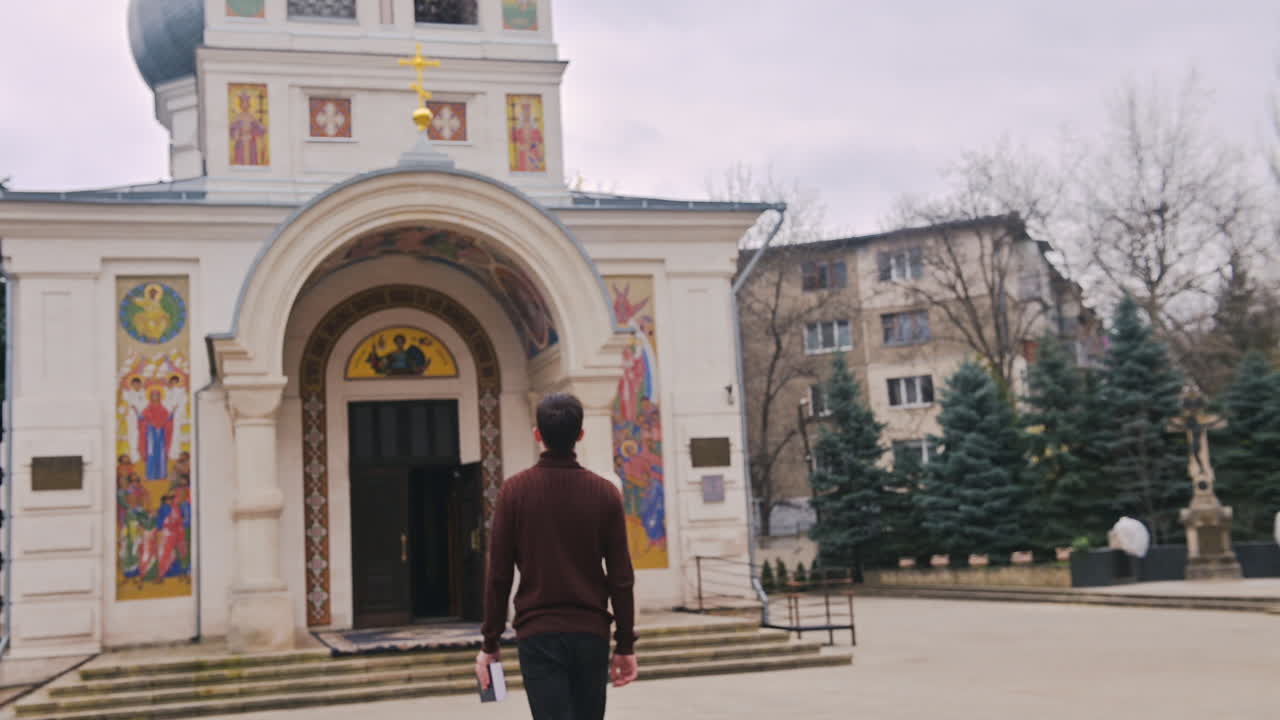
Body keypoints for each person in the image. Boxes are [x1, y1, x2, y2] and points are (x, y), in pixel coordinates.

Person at [476, 393, 638, 719]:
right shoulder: (605, 494)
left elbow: (499, 576)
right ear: (581, 435)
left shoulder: (514, 492)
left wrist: (490, 643)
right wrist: (624, 645)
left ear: (538, 434)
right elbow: (621, 577)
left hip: (538, 634)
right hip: (591, 633)